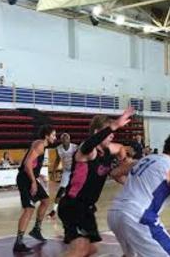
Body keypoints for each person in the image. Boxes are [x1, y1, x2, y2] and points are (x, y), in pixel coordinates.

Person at [59, 107, 135, 257]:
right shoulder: (87, 151)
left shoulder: (106, 152)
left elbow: (120, 148)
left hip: (87, 209)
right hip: (73, 206)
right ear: (97, 133)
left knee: (91, 249)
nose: (112, 135)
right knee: (80, 248)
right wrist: (115, 124)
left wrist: (124, 160)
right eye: (108, 132)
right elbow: (89, 144)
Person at [13, 125, 57, 253]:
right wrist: (33, 181)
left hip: (29, 177)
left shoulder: (39, 144)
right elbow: (26, 164)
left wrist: (38, 175)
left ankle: (36, 230)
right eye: (53, 135)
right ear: (46, 136)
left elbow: (30, 163)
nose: (55, 137)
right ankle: (19, 243)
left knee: (45, 200)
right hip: (25, 179)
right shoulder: (39, 145)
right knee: (29, 209)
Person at [48, 133, 77, 218]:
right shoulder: (59, 149)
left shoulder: (75, 147)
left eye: (66, 139)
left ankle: (76, 208)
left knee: (76, 190)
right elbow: (57, 159)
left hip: (75, 170)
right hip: (67, 171)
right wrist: (53, 170)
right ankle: (54, 210)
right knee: (61, 190)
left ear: (69, 139)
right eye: (63, 139)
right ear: (61, 141)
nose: (65, 141)